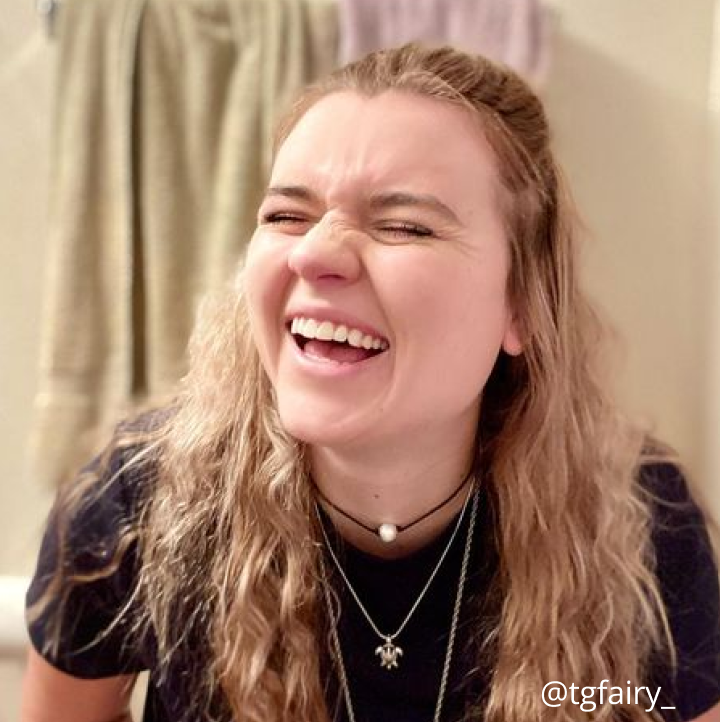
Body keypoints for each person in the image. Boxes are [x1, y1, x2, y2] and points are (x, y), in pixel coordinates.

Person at [20, 44, 720, 722]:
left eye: (404, 226)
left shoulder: (638, 529)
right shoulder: (140, 503)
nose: (315, 252)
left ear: (523, 305)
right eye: (285, 215)